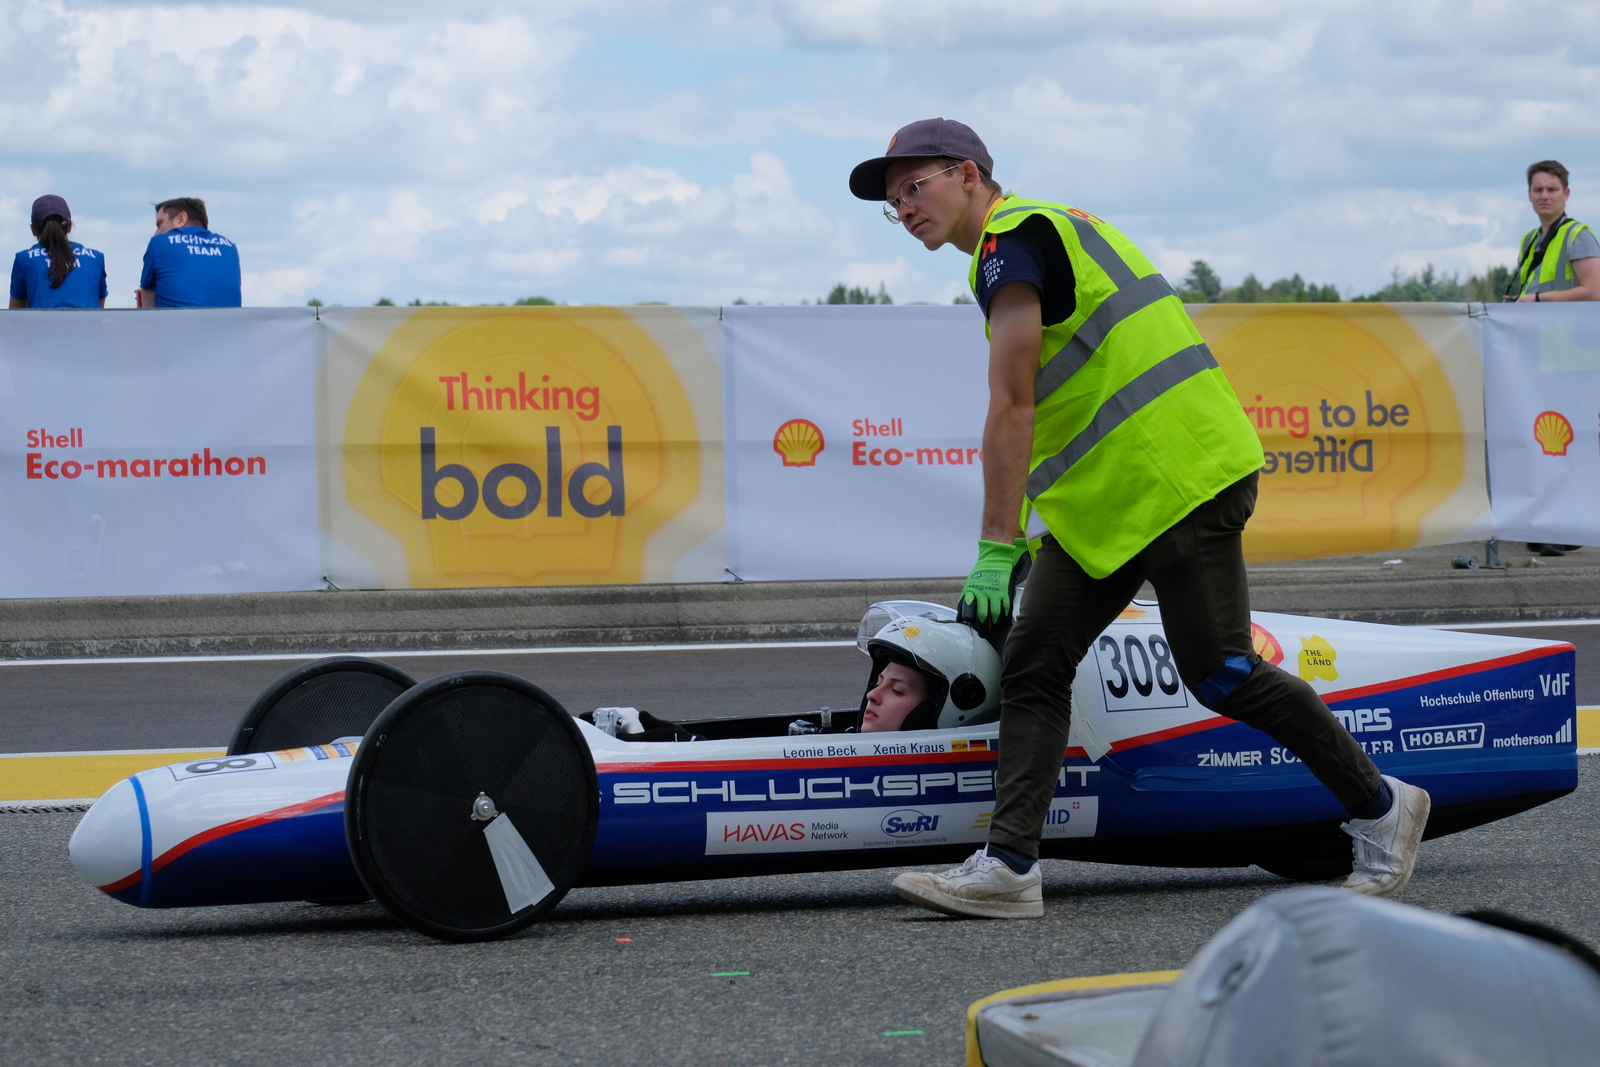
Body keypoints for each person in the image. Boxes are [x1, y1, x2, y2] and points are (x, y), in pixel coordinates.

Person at [848, 118, 1430, 920]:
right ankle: (1010, 866)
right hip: (1115, 503)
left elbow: (1013, 406)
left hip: (1174, 480)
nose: (904, 208)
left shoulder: (1010, 243)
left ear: (970, 174)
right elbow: (1070, 404)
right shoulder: (1052, 229)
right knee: (1036, 655)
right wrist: (1032, 538)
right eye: (892, 203)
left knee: (1221, 670)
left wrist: (994, 544)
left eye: (915, 187)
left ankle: (1381, 806)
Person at [1508, 161, 1600, 304]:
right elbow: (1536, 289)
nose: (1544, 196)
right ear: (1529, 194)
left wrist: (1537, 299)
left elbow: (1596, 291)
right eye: (1538, 190)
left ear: (1566, 194)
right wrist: (1518, 300)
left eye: (1551, 190)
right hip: (1537, 325)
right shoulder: (1528, 240)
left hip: (1572, 326)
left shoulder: (1578, 235)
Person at [138, 197, 241, 309]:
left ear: (181, 219)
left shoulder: (158, 243)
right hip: (229, 325)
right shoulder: (230, 248)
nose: (156, 233)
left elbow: (147, 305)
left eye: (160, 224)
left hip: (177, 324)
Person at [9, 195, 107, 309]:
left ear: (33, 230)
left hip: (42, 326)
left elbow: (15, 317)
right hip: (86, 326)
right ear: (70, 227)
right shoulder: (95, 259)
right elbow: (99, 311)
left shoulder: (24, 260)